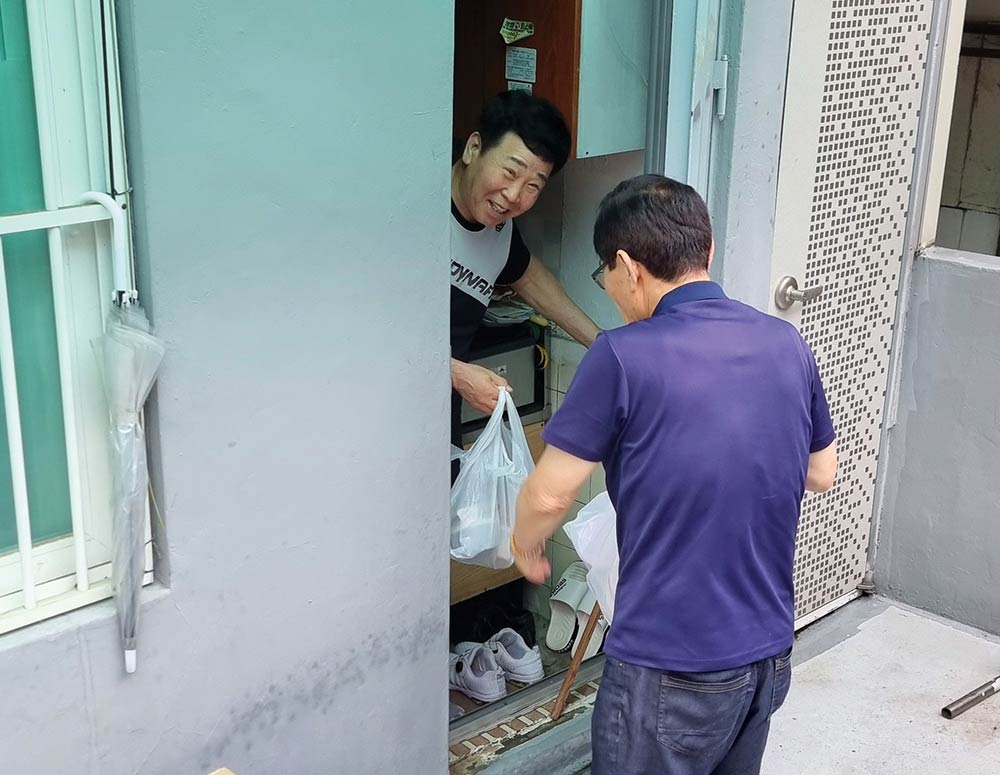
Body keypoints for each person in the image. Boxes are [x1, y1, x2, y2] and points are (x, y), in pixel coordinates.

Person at [511, 174, 838, 775]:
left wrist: (527, 545)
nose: (608, 290)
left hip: (669, 671)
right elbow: (822, 471)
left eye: (603, 274)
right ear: (706, 252)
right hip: (766, 656)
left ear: (628, 266)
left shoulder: (623, 355)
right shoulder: (784, 342)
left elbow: (552, 490)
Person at [450, 91, 599, 466]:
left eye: (533, 185)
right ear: (473, 148)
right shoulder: (410, 207)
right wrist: (454, 373)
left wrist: (603, 345)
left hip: (437, 425)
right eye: (510, 171)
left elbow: (530, 278)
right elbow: (367, 325)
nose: (513, 196)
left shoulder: (500, 232)